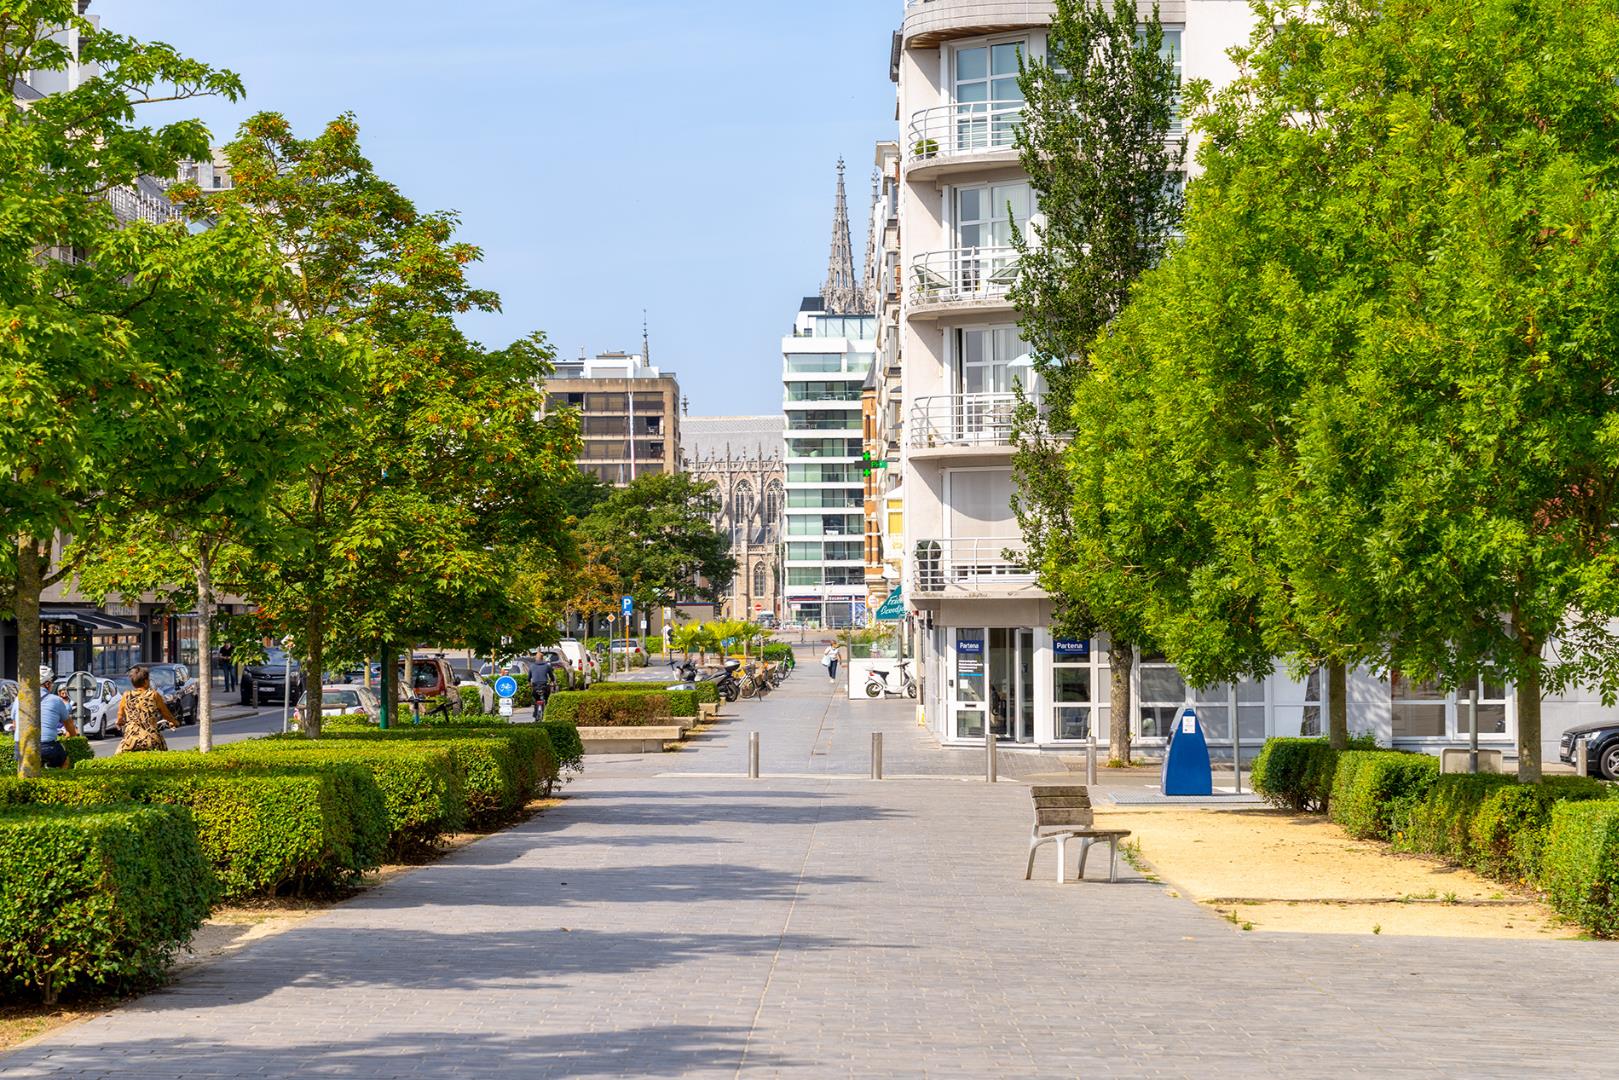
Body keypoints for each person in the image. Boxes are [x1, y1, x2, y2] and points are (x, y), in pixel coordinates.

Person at [9, 667, 78, 769]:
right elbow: (70, 726)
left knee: (25, 769)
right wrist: (72, 737)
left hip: (21, 746)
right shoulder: (56, 700)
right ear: (47, 684)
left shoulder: (18, 699)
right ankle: (61, 781)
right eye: (51, 683)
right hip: (46, 746)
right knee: (64, 760)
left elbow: (15, 725)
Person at [115, 665, 172, 754]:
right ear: (145, 682)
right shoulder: (154, 695)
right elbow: (166, 714)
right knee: (163, 753)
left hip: (131, 740)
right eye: (148, 680)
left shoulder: (126, 695)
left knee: (118, 758)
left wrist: (119, 722)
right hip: (152, 738)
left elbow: (120, 715)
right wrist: (174, 722)